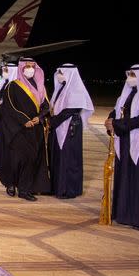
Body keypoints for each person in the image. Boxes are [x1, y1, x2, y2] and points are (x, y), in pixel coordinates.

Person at [0, 57, 51, 201]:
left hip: (35, 129)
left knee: (31, 159)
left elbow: (46, 106)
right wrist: (24, 120)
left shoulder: (40, 86)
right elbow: (9, 108)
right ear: (21, 68)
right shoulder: (13, 86)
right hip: (18, 130)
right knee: (17, 159)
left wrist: (39, 118)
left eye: (32, 66)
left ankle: (25, 190)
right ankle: (10, 183)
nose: (30, 69)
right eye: (27, 66)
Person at [104, 65, 139, 229]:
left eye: (134, 74)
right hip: (125, 140)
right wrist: (110, 122)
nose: (131, 77)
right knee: (125, 176)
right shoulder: (126, 94)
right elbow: (116, 111)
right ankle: (124, 214)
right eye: (129, 74)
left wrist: (117, 124)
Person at [49, 64, 93, 199]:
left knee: (69, 158)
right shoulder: (61, 88)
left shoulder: (76, 90)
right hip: (59, 127)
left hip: (70, 128)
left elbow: (71, 110)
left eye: (62, 72)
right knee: (58, 156)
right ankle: (57, 186)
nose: (60, 75)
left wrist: (53, 122)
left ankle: (68, 189)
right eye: (59, 72)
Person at [0, 62, 18, 172]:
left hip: (8, 120)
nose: (3, 73)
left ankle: (5, 165)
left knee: (6, 143)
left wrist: (3, 103)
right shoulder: (2, 83)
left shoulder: (14, 85)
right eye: (4, 70)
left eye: (6, 71)